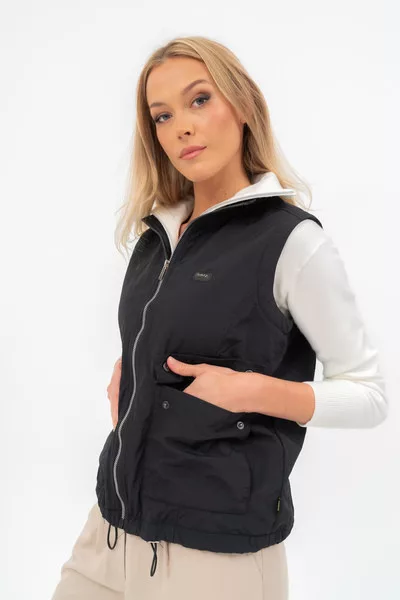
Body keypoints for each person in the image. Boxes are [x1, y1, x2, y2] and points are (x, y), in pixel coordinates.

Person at [51, 35, 388, 600]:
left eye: (200, 100)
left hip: (214, 557)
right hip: (110, 533)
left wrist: (252, 390)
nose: (181, 127)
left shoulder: (291, 241)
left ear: (244, 105)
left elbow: (369, 395)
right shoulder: (157, 236)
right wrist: (132, 367)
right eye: (162, 115)